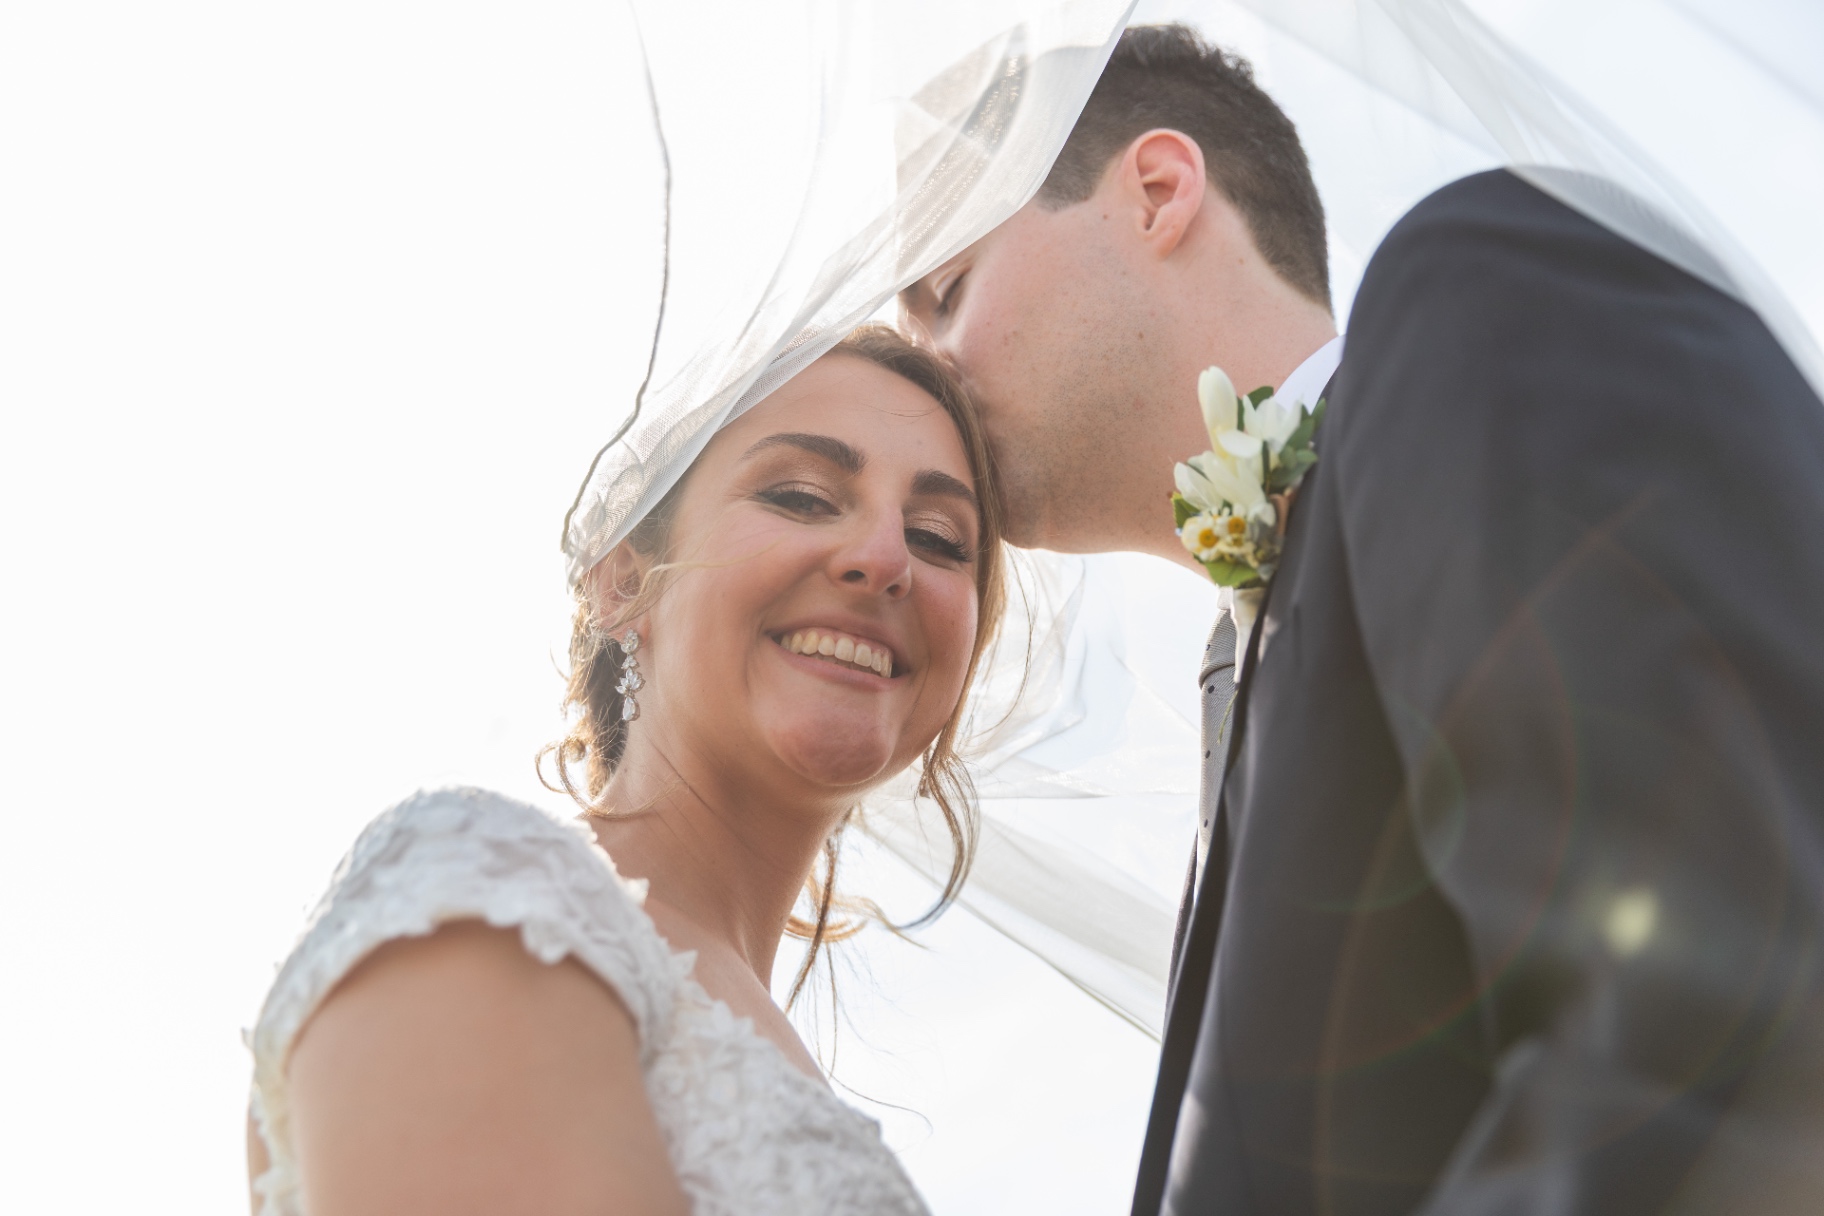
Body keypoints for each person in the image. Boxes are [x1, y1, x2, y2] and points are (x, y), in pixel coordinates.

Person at [904, 23, 1824, 1216]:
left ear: (1157, 190)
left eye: (945, 295)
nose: (926, 368)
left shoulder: (1483, 300)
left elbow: (1716, 1015)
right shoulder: (1244, 672)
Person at [244, 326, 1005, 1216]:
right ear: (623, 585)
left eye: (939, 538)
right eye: (801, 497)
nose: (885, 558)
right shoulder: (486, 896)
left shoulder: (763, 1048)